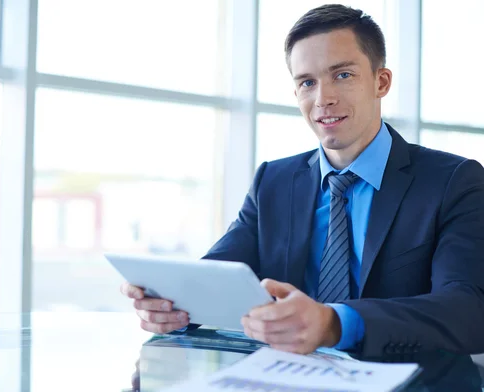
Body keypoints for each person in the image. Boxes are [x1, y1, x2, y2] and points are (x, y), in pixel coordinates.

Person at [120, 4, 484, 359]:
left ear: (381, 81)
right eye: (307, 82)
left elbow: (469, 310)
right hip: (287, 380)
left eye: (342, 75)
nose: (323, 98)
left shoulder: (454, 181)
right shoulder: (273, 182)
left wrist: (336, 324)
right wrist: (170, 302)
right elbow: (219, 276)